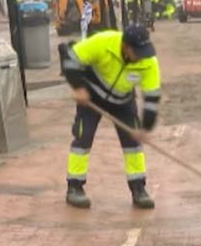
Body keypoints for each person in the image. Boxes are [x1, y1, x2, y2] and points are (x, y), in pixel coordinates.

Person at [59, 25, 162, 210]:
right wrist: (78, 87)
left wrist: (145, 128)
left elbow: (152, 99)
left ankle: (139, 189)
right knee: (83, 138)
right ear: (125, 46)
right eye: (136, 51)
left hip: (122, 101)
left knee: (133, 145)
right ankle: (74, 187)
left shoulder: (148, 62)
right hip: (92, 96)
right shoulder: (103, 42)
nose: (140, 56)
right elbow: (70, 59)